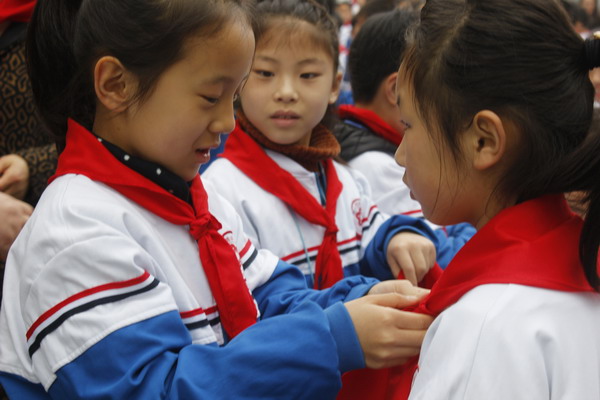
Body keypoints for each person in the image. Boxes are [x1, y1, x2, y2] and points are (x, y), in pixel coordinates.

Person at [0, 0, 438, 398]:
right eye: (211, 97)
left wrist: (366, 301)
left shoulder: (193, 201)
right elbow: (153, 389)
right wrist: (330, 339)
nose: (228, 121)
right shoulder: (74, 232)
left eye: (233, 96)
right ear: (116, 85)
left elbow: (269, 297)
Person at [385, 0, 600, 398]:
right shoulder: (581, 260)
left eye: (409, 125)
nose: (399, 154)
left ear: (483, 141)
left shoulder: (486, 325)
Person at [203, 0, 463, 291]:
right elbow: (255, 300)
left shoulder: (346, 180)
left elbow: (372, 234)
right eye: (265, 73)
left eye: (307, 75)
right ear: (239, 82)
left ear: (335, 86)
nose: (286, 93)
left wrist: (396, 239)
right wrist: (350, 311)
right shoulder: (221, 191)